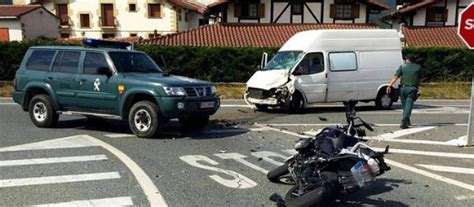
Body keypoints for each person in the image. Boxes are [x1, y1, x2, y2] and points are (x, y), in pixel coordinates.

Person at [386, 54, 422, 129]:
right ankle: (406, 119)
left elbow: (395, 77)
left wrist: (389, 85)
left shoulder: (402, 67)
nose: (405, 60)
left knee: (404, 106)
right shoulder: (418, 67)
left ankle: (405, 119)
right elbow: (420, 77)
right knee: (409, 105)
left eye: (406, 59)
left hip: (403, 88)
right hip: (413, 88)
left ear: (408, 60)